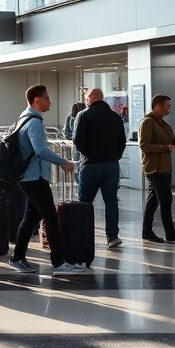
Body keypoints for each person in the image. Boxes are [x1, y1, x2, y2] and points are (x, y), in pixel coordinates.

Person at [8, 85, 86, 275]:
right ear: (37, 100)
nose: (49, 101)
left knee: (31, 217)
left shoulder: (23, 118)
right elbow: (40, 150)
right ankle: (59, 263)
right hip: (34, 178)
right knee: (51, 218)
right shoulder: (34, 122)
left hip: (26, 177)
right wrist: (63, 162)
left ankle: (18, 257)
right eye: (47, 98)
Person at [72, 88, 126, 248]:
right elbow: (122, 141)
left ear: (89, 99)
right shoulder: (115, 117)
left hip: (91, 165)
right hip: (111, 165)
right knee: (111, 200)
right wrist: (115, 156)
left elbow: (77, 140)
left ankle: (83, 235)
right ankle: (112, 236)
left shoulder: (83, 115)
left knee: (85, 202)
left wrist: (88, 155)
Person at [138, 94, 175, 243]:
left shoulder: (162, 123)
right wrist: (165, 147)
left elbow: (169, 140)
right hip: (155, 167)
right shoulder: (148, 123)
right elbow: (144, 145)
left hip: (164, 166)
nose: (169, 109)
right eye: (167, 106)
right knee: (165, 199)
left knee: (154, 199)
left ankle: (147, 232)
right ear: (158, 105)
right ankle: (169, 231)